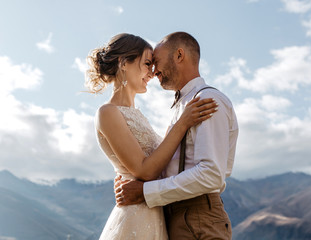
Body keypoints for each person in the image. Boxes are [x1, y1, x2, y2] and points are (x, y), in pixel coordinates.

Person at [86, 33, 218, 239]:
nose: (153, 72)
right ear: (123, 63)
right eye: (148, 63)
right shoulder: (108, 112)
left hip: (156, 213)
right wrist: (183, 122)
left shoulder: (138, 116)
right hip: (136, 216)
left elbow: (158, 164)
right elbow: (144, 171)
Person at [115, 32, 239, 240]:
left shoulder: (207, 100)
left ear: (179, 55)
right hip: (175, 215)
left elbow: (210, 174)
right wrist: (128, 181)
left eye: (156, 61)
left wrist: (145, 191)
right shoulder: (182, 106)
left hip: (198, 217)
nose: (153, 72)